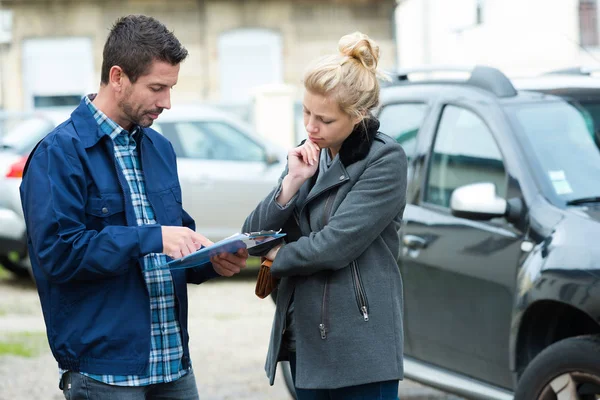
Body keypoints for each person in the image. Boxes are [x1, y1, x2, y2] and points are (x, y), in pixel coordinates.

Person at [19, 14, 248, 400]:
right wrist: (152, 238)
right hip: (105, 372)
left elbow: (175, 239)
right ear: (117, 77)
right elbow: (58, 255)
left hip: (173, 364)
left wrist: (211, 260)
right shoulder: (59, 153)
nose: (167, 103)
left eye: (171, 88)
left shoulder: (160, 148)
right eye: (157, 88)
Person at [243, 32, 407, 399]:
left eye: (325, 119)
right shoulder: (311, 155)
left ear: (359, 116)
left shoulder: (385, 159)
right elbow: (252, 237)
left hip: (359, 346)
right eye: (306, 112)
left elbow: (336, 244)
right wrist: (290, 184)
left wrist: (279, 256)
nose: (310, 127)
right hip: (305, 337)